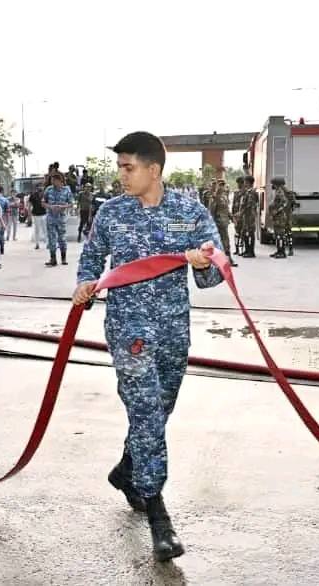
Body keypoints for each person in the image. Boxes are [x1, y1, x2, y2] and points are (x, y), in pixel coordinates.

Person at [73, 131, 223, 562]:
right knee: (145, 411)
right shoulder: (110, 214)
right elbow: (90, 258)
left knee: (160, 407)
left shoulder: (190, 212)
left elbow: (213, 275)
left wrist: (206, 259)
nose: (121, 175)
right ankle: (158, 514)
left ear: (152, 170)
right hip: (128, 328)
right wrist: (84, 282)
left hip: (174, 329)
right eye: (120, 167)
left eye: (128, 167)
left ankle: (126, 470)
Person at [44, 172, 73, 266]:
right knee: (51, 239)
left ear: (59, 181)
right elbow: (43, 202)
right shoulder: (48, 189)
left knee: (62, 238)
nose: (52, 182)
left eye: (54, 180)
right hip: (51, 218)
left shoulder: (66, 190)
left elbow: (71, 203)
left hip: (61, 218)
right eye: (52, 180)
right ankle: (53, 259)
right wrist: (50, 207)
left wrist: (63, 206)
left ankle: (63, 258)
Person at [211, 180, 238, 266]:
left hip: (225, 223)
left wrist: (232, 218)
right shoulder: (215, 198)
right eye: (220, 185)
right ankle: (221, 260)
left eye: (223, 185)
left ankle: (227, 260)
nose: (222, 187)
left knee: (225, 241)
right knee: (221, 241)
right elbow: (212, 211)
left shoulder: (224, 198)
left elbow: (227, 210)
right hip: (218, 223)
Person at [269, 178, 292, 259]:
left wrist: (277, 211)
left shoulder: (280, 192)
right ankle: (279, 250)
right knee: (277, 235)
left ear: (276, 184)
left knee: (280, 235)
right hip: (277, 217)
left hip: (280, 217)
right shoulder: (277, 191)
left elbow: (284, 203)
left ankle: (282, 252)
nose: (272, 185)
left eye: (273, 184)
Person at [239, 176, 259, 258]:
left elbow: (249, 205)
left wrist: (241, 213)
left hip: (249, 216)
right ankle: (247, 250)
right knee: (245, 233)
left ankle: (251, 252)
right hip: (247, 216)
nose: (244, 183)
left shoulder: (251, 192)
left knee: (250, 233)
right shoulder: (248, 192)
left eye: (245, 181)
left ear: (248, 182)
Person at [231, 177, 246, 257]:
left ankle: (242, 249)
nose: (238, 185)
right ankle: (237, 249)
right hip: (237, 216)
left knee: (242, 233)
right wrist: (233, 216)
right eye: (238, 183)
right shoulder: (236, 193)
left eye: (240, 183)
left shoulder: (245, 193)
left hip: (243, 216)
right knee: (237, 233)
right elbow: (233, 205)